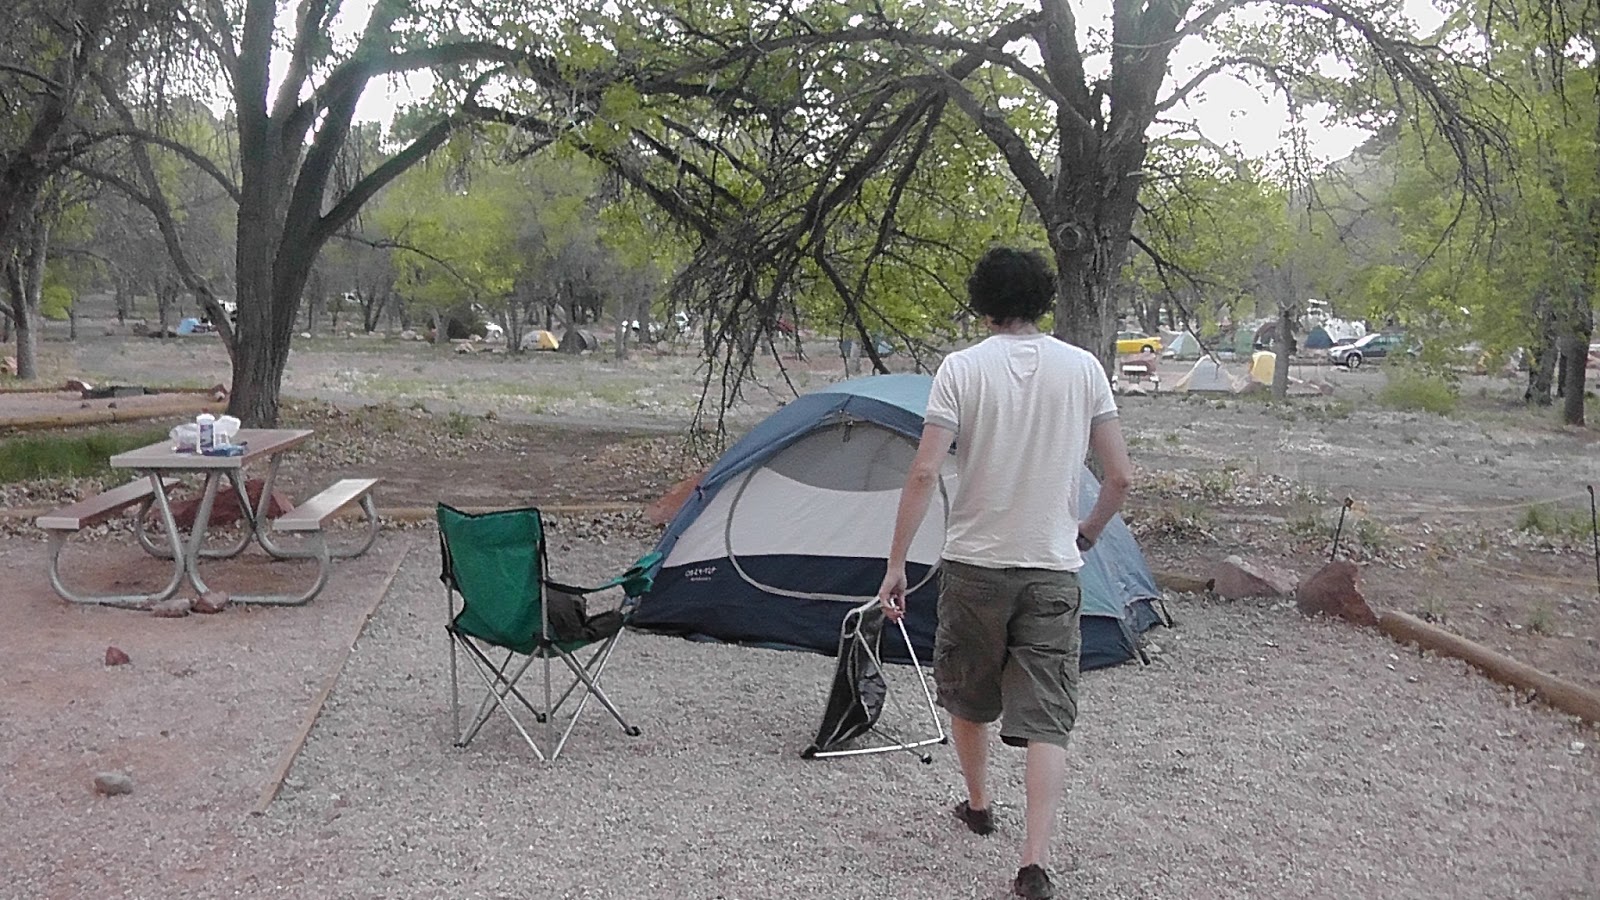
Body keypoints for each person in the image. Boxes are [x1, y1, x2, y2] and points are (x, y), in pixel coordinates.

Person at [876, 247, 1132, 900]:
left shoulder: (962, 369)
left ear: (983, 301)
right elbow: (1120, 476)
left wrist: (897, 563)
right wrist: (1087, 532)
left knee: (968, 693)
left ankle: (979, 803)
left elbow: (925, 471)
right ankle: (1033, 862)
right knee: (1048, 717)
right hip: (1052, 569)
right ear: (1043, 299)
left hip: (975, 566)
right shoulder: (1084, 369)